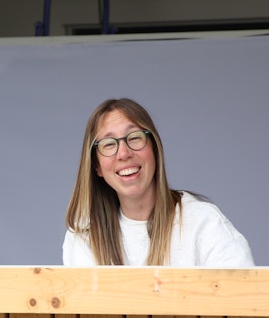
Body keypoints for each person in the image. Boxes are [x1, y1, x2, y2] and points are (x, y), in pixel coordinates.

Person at [63, 98, 253, 266]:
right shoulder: (84, 237)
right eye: (109, 144)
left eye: (134, 138)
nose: (124, 153)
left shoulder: (203, 222)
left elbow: (243, 292)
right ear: (96, 166)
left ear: (155, 149)